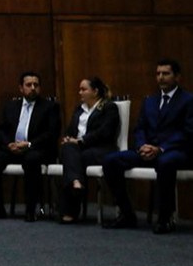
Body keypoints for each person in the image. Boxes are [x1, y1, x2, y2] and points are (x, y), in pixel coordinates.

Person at [103, 59, 193, 234]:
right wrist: (142, 146)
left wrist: (161, 148)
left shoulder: (188, 100)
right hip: (148, 151)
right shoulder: (150, 100)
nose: (160, 77)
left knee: (165, 162)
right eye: (158, 74)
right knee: (111, 161)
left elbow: (187, 132)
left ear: (177, 77)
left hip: (177, 152)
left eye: (166, 74)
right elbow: (140, 128)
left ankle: (165, 219)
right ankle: (127, 214)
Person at [0, 72, 60, 221]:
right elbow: (0, 130)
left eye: (36, 85)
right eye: (28, 85)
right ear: (21, 88)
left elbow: (51, 133)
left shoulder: (50, 107)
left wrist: (29, 144)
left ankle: (31, 210)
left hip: (37, 149)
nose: (32, 88)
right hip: (13, 149)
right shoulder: (11, 106)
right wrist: (8, 145)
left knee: (31, 160)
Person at [57, 76, 119, 224]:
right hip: (77, 150)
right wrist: (68, 138)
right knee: (69, 150)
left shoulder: (108, 107)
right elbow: (70, 130)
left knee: (73, 158)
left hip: (101, 149)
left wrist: (80, 141)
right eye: (79, 89)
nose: (80, 92)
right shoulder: (79, 109)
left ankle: (69, 211)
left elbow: (105, 132)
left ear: (95, 91)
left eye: (83, 89)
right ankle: (76, 183)